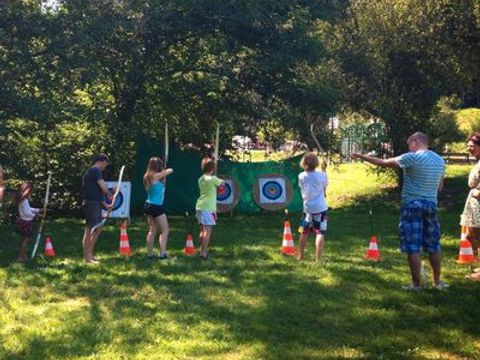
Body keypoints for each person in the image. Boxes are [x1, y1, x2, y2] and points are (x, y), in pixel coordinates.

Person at [352, 132, 447, 290]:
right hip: (431, 205)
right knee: (433, 245)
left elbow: (383, 163)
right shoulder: (439, 160)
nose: (409, 148)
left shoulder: (412, 157)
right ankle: (438, 282)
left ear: (415, 141)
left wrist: (361, 156)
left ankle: (416, 285)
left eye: (409, 144)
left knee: (413, 246)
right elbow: (440, 187)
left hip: (412, 205)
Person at [297, 152, 328, 262]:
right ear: (316, 163)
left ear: (304, 163)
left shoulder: (301, 176)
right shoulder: (321, 175)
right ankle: (318, 259)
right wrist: (324, 169)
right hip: (321, 209)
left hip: (307, 209)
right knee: (320, 232)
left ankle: (300, 256)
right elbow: (325, 185)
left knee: (303, 232)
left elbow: (303, 185)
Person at [81, 154, 110, 264]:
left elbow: (96, 192)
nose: (105, 166)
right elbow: (103, 187)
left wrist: (105, 205)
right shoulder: (95, 171)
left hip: (95, 203)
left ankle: (90, 255)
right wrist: (109, 193)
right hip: (91, 204)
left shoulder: (92, 172)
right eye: (106, 163)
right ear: (102, 161)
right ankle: (87, 258)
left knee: (98, 229)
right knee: (90, 229)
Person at [143, 157, 173, 259]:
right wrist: (165, 169)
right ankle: (163, 253)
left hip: (148, 205)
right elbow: (170, 170)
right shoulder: (155, 176)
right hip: (156, 206)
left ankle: (150, 254)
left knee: (152, 230)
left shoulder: (147, 176)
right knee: (165, 230)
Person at [460, 133, 480, 281]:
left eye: (472, 146)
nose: (469, 148)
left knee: (479, 238)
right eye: (468, 145)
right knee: (472, 236)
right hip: (473, 204)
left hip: (478, 204)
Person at [195, 157, 224, 259]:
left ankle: (202, 249)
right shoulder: (213, 179)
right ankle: (203, 253)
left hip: (199, 206)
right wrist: (220, 187)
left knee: (203, 230)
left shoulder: (200, 179)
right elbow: (222, 183)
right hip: (208, 208)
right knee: (208, 230)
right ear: (212, 168)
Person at [13, 182, 43, 262]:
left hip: (24, 221)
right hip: (26, 222)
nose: (30, 193)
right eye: (29, 191)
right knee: (26, 240)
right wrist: (37, 215)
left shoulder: (23, 199)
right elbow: (27, 213)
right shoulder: (23, 200)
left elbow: (29, 209)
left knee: (25, 240)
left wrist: (39, 210)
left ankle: (23, 255)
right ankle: (20, 257)